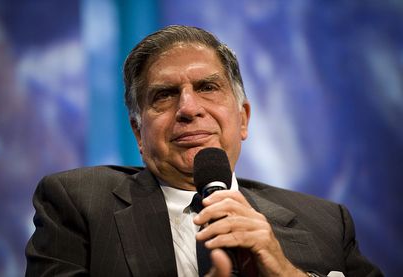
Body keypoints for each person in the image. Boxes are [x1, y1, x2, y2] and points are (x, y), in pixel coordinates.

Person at [25, 25, 382, 277]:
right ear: (138, 131)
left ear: (242, 119)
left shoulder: (326, 222)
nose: (188, 108)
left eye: (207, 87)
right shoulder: (78, 203)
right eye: (164, 95)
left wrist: (284, 272)